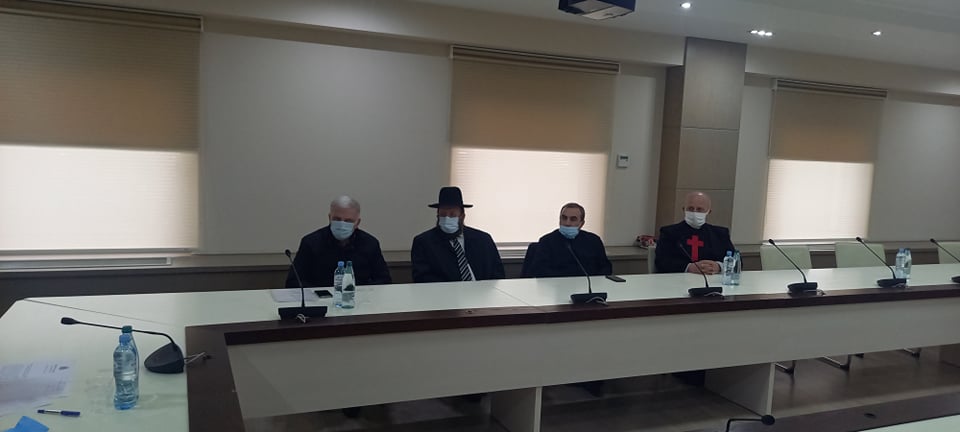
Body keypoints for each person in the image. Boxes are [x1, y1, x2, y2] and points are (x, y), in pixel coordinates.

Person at [285, 196, 391, 288]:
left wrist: (362, 292)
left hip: (358, 299)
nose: (342, 224)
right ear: (329, 218)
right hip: (320, 300)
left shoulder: (370, 244)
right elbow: (293, 282)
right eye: (337, 219)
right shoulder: (311, 243)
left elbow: (384, 280)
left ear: (357, 222)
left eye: (348, 221)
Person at [411, 186, 504, 283]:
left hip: (482, 290)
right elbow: (422, 278)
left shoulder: (483, 240)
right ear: (437, 216)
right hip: (444, 292)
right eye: (443, 214)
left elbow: (498, 274)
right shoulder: (424, 243)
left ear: (462, 216)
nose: (447, 218)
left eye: (452, 214)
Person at [654, 191, 735, 274]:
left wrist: (719, 267)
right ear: (684, 209)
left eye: (700, 209)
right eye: (690, 209)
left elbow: (736, 261)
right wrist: (689, 267)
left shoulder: (720, 234)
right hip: (679, 279)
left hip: (712, 279)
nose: (695, 212)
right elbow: (661, 262)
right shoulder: (669, 233)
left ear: (708, 212)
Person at [530, 203, 612, 278]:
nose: (567, 223)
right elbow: (539, 271)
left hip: (588, 285)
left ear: (581, 223)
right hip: (556, 286)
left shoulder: (593, 241)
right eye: (564, 218)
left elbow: (606, 268)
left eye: (573, 219)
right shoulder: (546, 241)